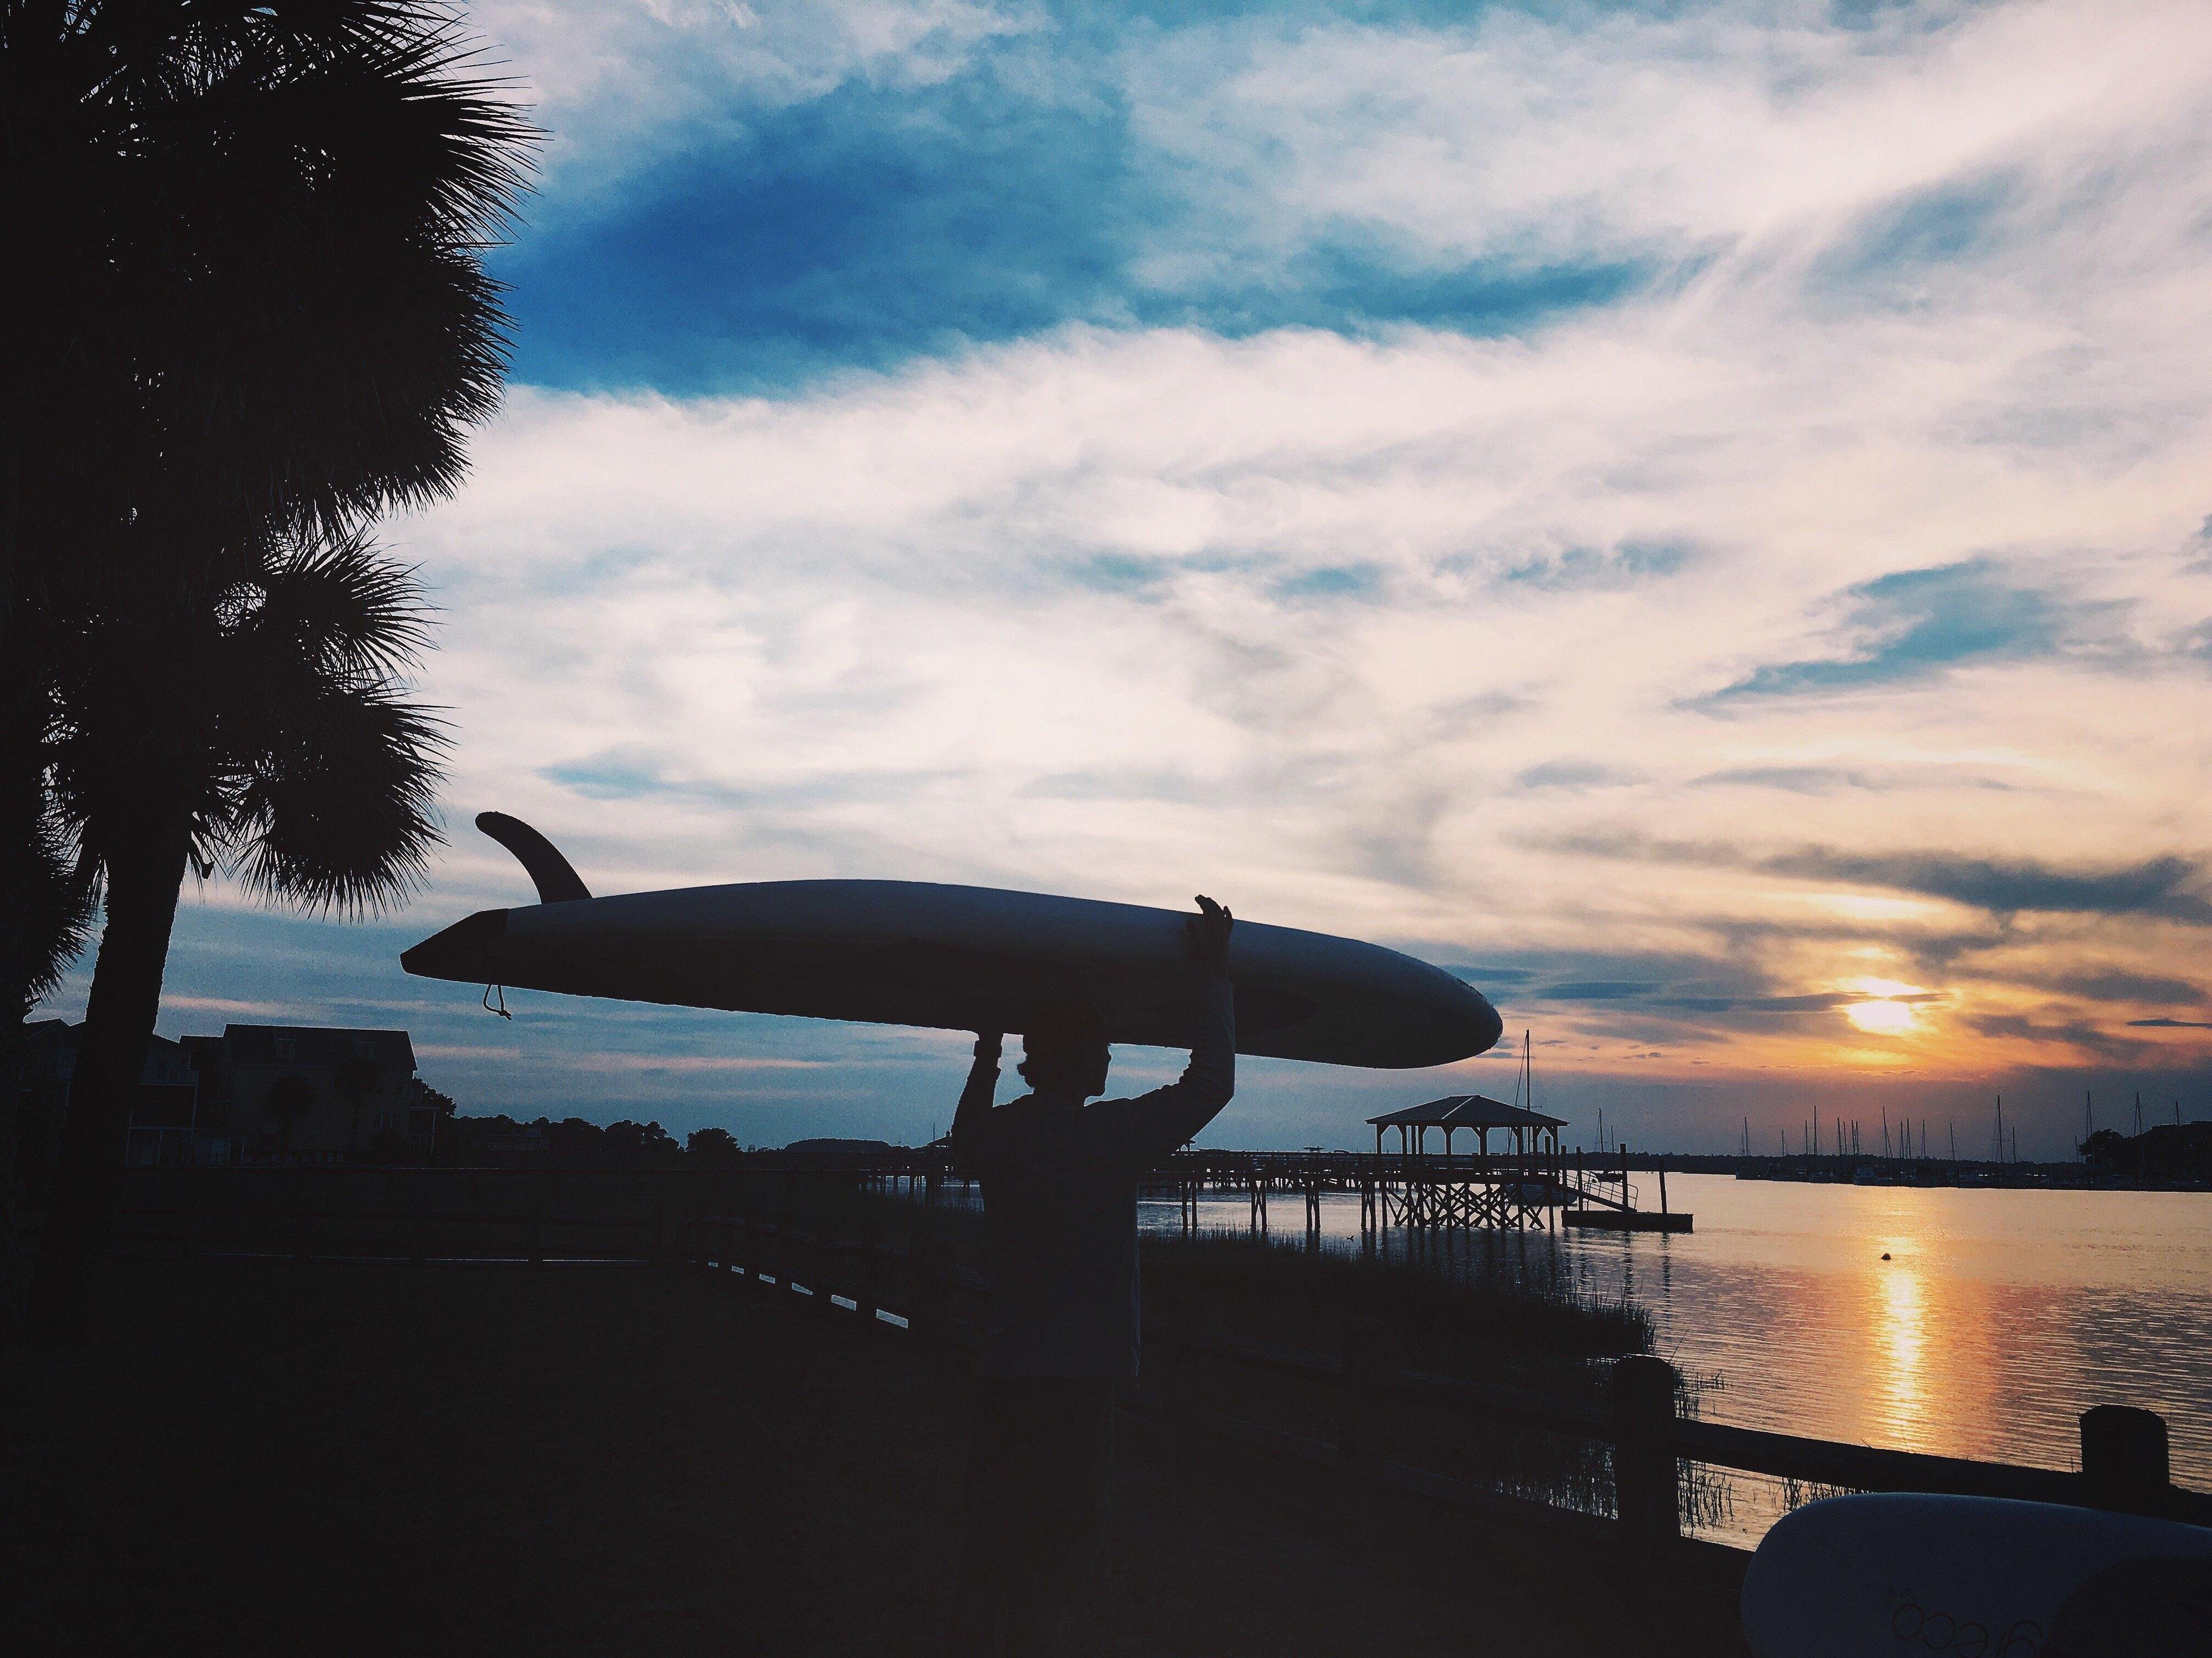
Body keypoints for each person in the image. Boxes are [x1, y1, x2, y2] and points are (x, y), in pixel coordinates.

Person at [946, 895, 1236, 1655]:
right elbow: (1209, 1087)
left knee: (994, 1539)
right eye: (1102, 1045)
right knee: (1060, 1545)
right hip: (1079, 1377)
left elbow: (963, 1142)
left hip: (1005, 1368)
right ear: (1077, 1056)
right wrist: (1216, 977)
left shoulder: (1004, 1136)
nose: (1111, 1058)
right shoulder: (1109, 1137)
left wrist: (986, 1055)